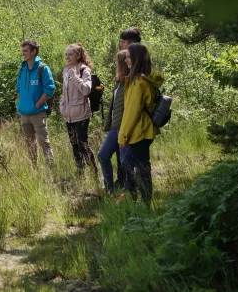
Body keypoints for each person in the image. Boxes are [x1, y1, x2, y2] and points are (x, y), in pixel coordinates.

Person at [118, 43, 163, 206]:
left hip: (140, 131)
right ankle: (139, 200)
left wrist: (123, 137)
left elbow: (131, 113)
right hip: (145, 130)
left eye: (129, 57)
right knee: (135, 164)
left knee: (136, 166)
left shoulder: (138, 82)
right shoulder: (144, 79)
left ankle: (139, 200)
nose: (126, 60)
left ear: (137, 59)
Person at [59, 43, 98, 176]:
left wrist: (75, 77)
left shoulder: (84, 70)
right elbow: (65, 92)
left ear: (78, 55)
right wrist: (62, 105)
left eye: (70, 54)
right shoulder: (65, 70)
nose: (67, 57)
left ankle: (94, 172)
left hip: (81, 113)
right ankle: (80, 171)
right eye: (66, 54)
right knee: (74, 144)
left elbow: (86, 90)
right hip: (68, 114)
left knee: (82, 143)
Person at [16, 39, 56, 166]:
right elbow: (18, 88)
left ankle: (51, 168)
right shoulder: (22, 69)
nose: (23, 53)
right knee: (29, 142)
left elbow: (50, 89)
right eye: (23, 51)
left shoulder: (42, 69)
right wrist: (19, 102)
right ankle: (34, 169)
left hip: (38, 113)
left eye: (26, 51)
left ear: (34, 52)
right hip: (24, 113)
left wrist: (37, 105)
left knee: (44, 142)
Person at [98, 50, 129, 193]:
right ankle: (109, 189)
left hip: (124, 127)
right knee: (103, 155)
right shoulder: (119, 82)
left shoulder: (129, 83)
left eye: (117, 62)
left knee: (125, 162)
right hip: (115, 127)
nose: (115, 64)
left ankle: (128, 192)